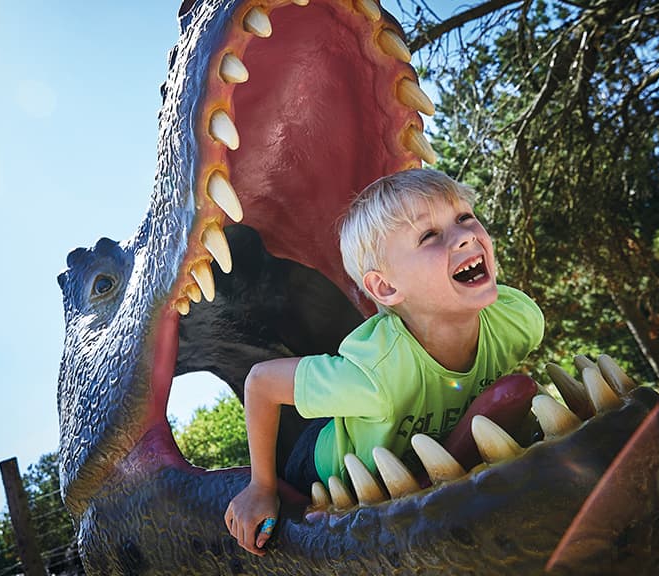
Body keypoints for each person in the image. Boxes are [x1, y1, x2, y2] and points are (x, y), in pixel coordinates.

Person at [223, 168, 544, 555]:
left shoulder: (518, 321)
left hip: (414, 436)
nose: (464, 237)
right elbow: (260, 381)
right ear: (386, 287)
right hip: (323, 464)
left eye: (464, 217)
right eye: (429, 236)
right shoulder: (376, 375)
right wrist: (263, 485)